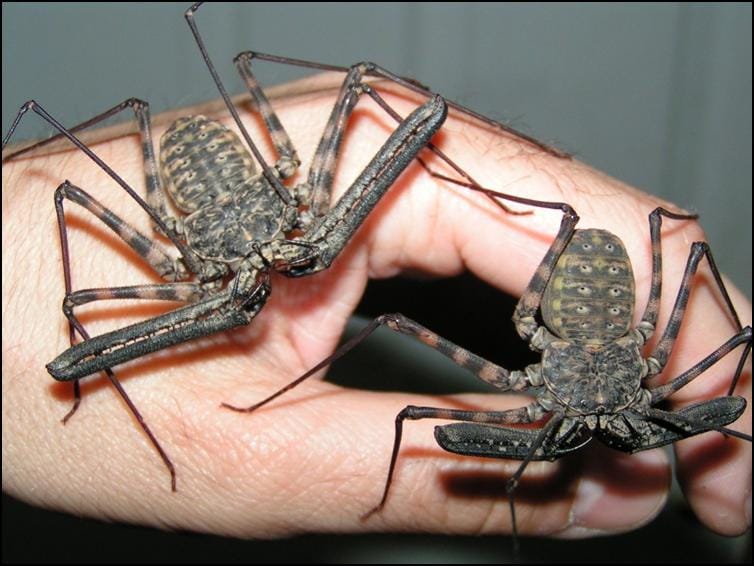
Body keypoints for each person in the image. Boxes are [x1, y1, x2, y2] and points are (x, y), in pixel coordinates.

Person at [2, 75, 750, 541]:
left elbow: (726, 327)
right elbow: (76, 297)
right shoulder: (178, 252)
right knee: (80, 288)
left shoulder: (541, 331)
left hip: (595, 310)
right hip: (200, 219)